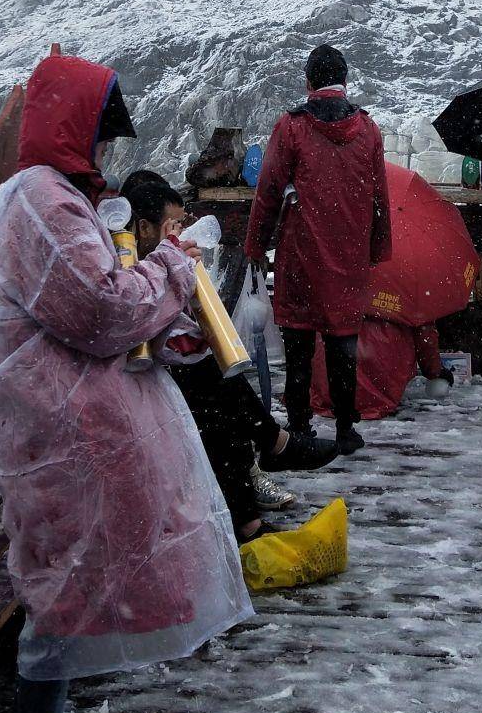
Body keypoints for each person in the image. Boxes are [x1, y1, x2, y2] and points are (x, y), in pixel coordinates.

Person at [0, 54, 252, 713]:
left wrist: (170, 320)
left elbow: (97, 307)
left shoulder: (52, 198)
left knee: (64, 597)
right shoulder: (44, 201)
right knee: (61, 597)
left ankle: (47, 711)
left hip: (62, 427)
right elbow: (99, 309)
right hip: (59, 432)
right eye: (97, 135)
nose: (102, 152)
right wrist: (173, 268)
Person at [120, 170, 337, 540]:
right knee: (211, 397)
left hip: (163, 373)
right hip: (134, 380)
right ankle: (270, 450)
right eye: (173, 226)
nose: (180, 235)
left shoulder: (156, 262)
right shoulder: (129, 265)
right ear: (143, 228)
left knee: (215, 388)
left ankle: (256, 492)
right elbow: (160, 338)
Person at [245, 44, 392, 454]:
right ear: (344, 83)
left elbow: (269, 189)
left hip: (302, 252)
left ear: (308, 82)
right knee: (344, 342)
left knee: (299, 344)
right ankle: (346, 428)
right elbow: (379, 194)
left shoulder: (291, 127)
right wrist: (377, 248)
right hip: (349, 253)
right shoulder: (368, 130)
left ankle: (300, 428)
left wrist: (256, 243)